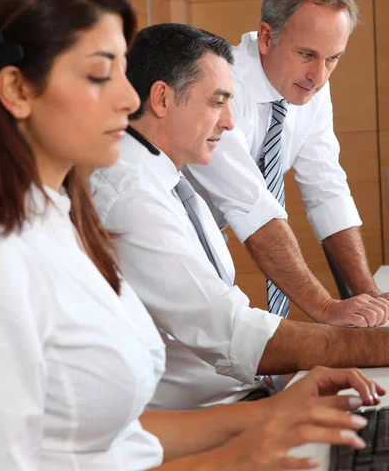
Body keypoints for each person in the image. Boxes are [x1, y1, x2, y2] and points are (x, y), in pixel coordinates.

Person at [0, 0, 375, 471]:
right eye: (102, 74)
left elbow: (109, 435)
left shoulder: (64, 213)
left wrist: (273, 416)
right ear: (16, 89)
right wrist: (236, 455)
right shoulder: (18, 252)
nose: (130, 100)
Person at [91, 23, 389, 413]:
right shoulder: (133, 200)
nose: (230, 123)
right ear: (162, 98)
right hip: (204, 419)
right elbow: (230, 332)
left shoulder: (172, 182)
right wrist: (376, 345)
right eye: (217, 103)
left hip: (241, 396)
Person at [183, 0, 389, 328]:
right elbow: (252, 206)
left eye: (333, 59)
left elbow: (326, 187)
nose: (319, 76)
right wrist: (325, 308)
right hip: (167, 240)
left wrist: (370, 299)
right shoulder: (221, 85)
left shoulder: (311, 87)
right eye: (307, 54)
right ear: (266, 37)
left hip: (210, 242)